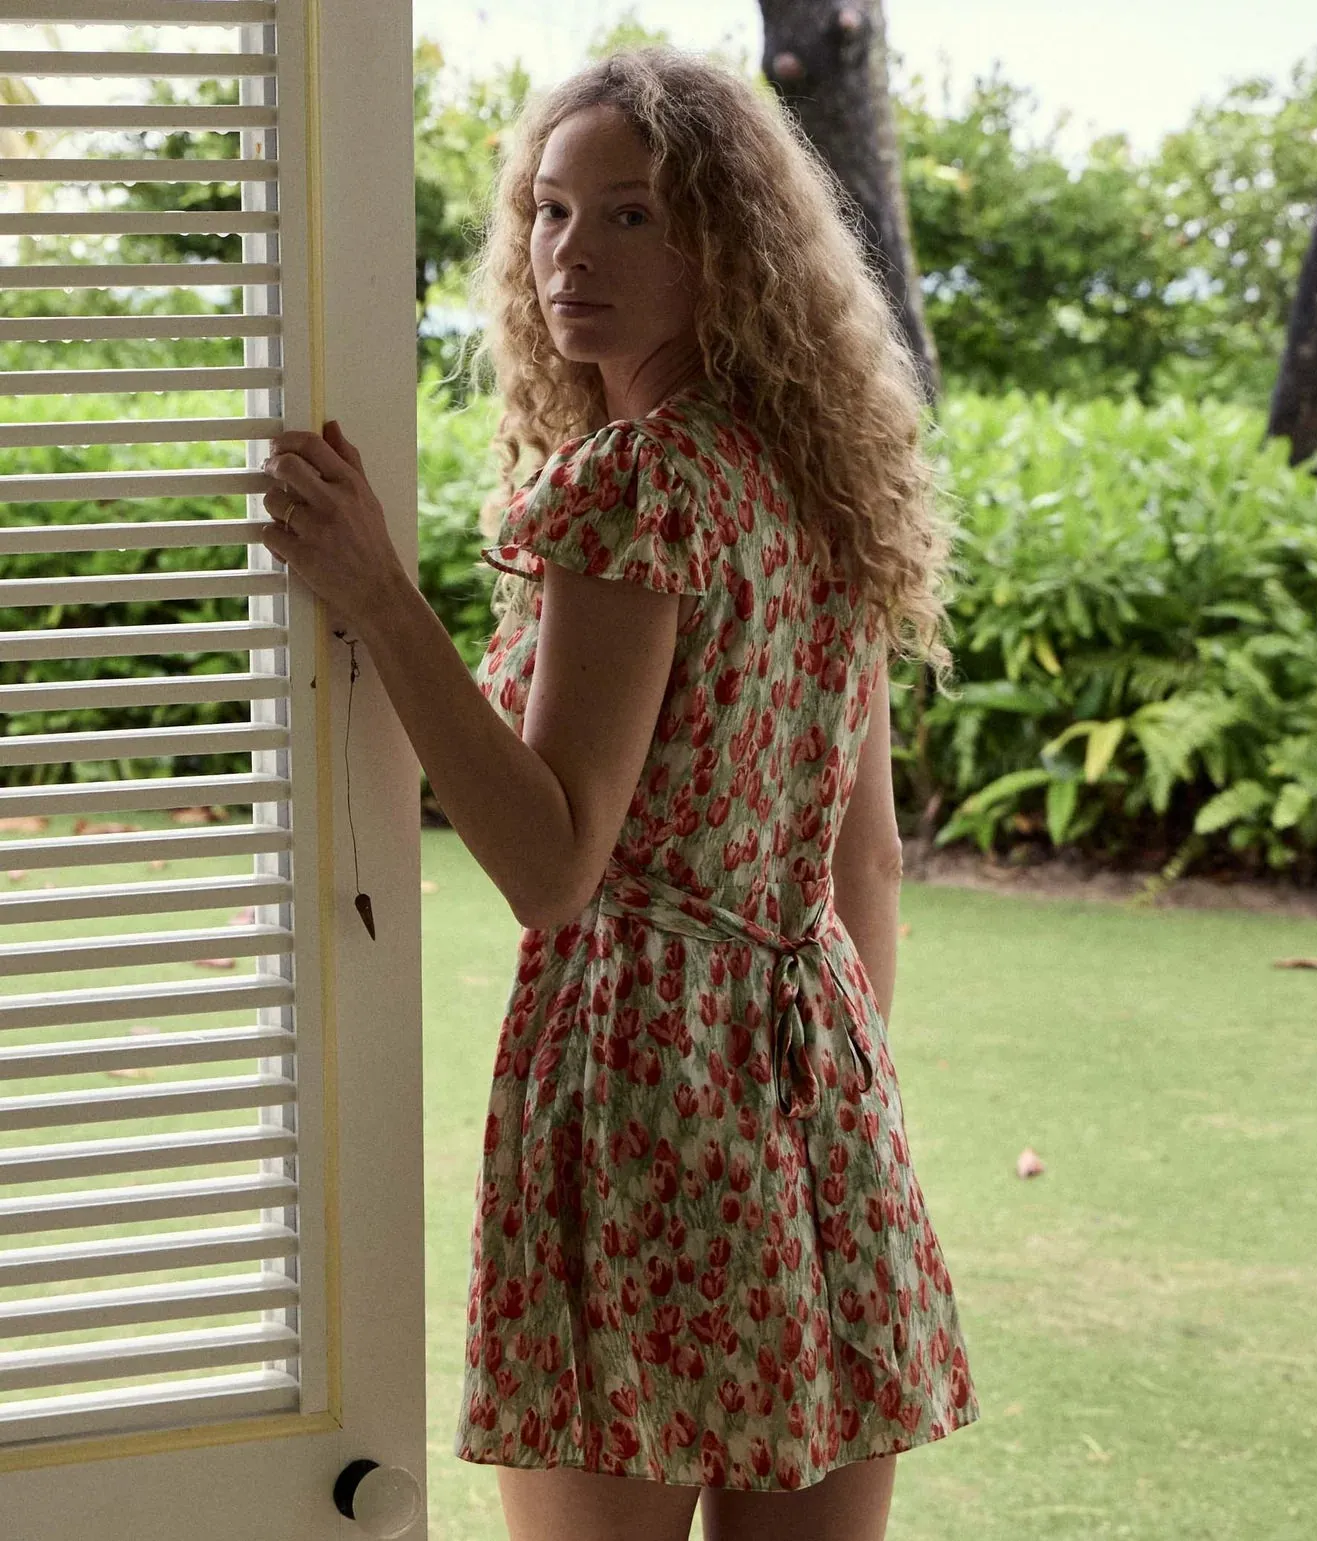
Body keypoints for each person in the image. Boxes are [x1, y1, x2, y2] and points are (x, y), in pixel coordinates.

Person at [261, 39, 977, 1541]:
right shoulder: (817, 481)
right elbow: (869, 868)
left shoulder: (637, 484)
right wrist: (828, 1115)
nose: (572, 252)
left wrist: (379, 599)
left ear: (726, 240)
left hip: (643, 1091)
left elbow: (554, 862)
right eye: (549, 209)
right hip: (820, 1092)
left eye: (632, 213)